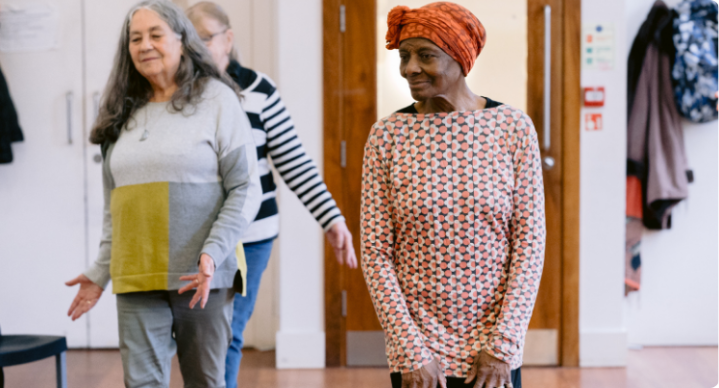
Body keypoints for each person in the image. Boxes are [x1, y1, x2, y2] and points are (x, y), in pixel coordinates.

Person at [64, 1, 261, 386]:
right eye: (135, 38)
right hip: (137, 273)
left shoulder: (217, 100)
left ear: (183, 42)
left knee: (205, 381)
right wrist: (101, 270)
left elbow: (244, 187)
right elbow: (114, 208)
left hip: (200, 275)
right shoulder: (121, 112)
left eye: (155, 35)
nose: (144, 45)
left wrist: (213, 252)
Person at [360, 3, 546, 388]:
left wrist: (503, 346)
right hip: (417, 345)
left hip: (494, 343)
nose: (409, 67)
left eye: (425, 55)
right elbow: (377, 252)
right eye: (404, 55)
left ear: (461, 58)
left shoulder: (512, 128)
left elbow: (529, 244)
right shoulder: (387, 136)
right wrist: (409, 349)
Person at [185, 3, 358, 388]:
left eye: (205, 38)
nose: (195, 47)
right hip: (190, 235)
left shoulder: (257, 90)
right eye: (187, 39)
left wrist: (331, 219)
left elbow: (294, 161)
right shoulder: (173, 94)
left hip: (250, 235)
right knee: (192, 334)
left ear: (228, 39)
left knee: (228, 331)